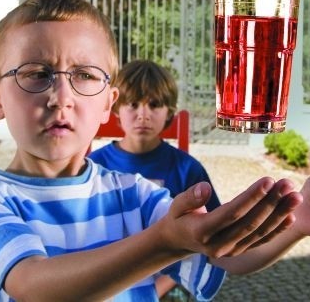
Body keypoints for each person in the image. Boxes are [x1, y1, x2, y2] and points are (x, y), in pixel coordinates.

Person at [0, 0, 310, 302]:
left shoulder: (135, 193)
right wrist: (164, 243)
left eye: (85, 75)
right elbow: (35, 287)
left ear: (109, 102)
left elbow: (226, 253)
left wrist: (299, 217)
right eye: (36, 73)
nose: (61, 96)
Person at [89, 59, 221, 299]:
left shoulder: (187, 169)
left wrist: (156, 288)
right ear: (116, 107)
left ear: (169, 111)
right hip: (104, 279)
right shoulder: (94, 165)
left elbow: (209, 236)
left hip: (169, 279)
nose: (143, 114)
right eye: (133, 104)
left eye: (154, 104)